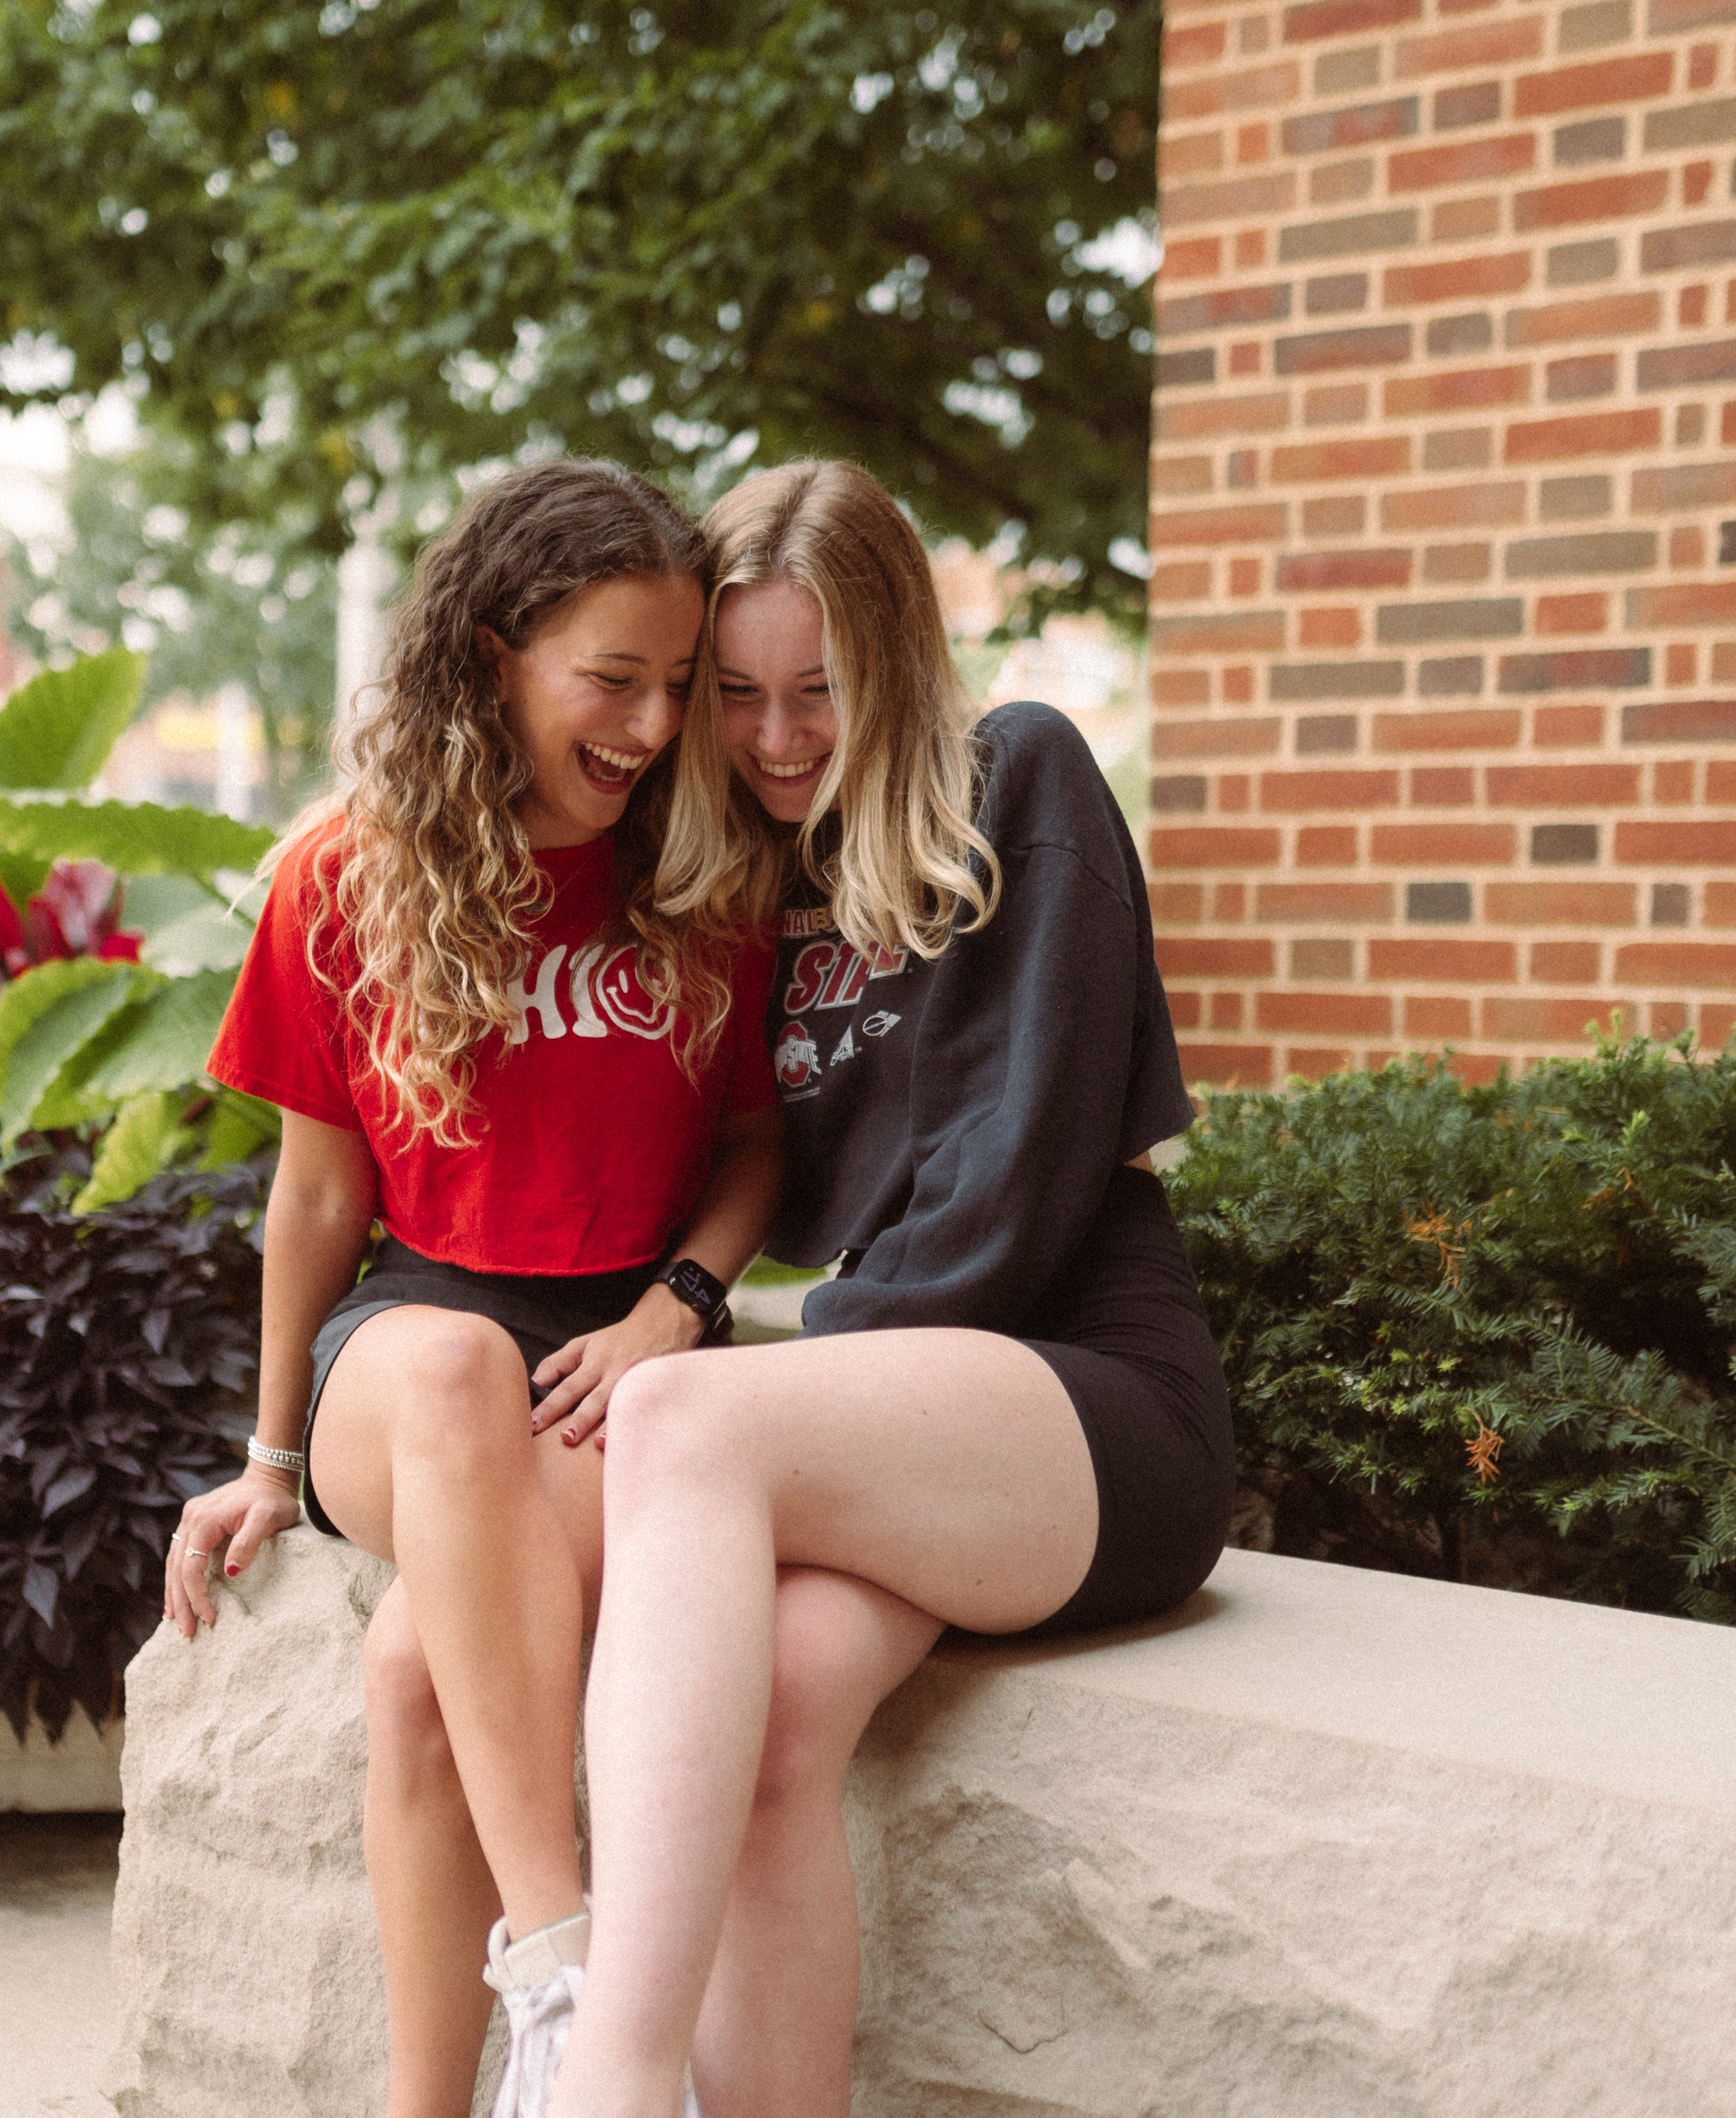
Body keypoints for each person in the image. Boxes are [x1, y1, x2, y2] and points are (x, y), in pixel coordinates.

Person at [538, 459, 1235, 2118]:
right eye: (740, 696)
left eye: (822, 692)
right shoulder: (760, 875)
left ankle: (609, 2090)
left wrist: (749, 1378)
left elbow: (1021, 1186)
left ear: (897, 665)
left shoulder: (1022, 778)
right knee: (772, 1737)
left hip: (1088, 1394)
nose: (780, 738)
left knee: (690, 1427)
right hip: (924, 1421)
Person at [163, 460, 783, 2118]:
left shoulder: (708, 880)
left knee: (413, 1679)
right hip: (414, 1336)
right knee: (443, 1372)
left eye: (677, 686)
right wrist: (269, 1460)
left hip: (616, 1355)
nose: (654, 728)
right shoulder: (343, 879)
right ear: (498, 650)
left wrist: (681, 1306)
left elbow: (755, 1155)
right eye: (614, 679)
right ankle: (570, 1967)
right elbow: (315, 1193)